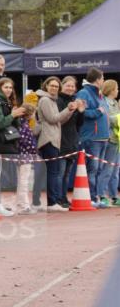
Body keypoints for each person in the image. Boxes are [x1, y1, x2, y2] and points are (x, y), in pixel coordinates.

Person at [36, 76, 79, 212]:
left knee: (53, 173)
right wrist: (68, 109)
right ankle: (52, 202)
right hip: (48, 139)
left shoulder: (52, 100)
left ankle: (53, 202)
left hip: (54, 139)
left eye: (56, 86)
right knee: (54, 173)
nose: (54, 88)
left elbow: (60, 121)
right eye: (52, 85)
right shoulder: (45, 100)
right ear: (46, 86)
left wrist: (70, 110)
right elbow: (53, 119)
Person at [0, 76, 25, 216]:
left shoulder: (6, 102)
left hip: (5, 144)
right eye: (5, 87)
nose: (8, 90)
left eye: (10, 87)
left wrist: (16, 115)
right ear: (0, 87)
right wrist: (13, 115)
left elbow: (11, 124)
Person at [77, 68, 110, 207]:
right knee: (92, 169)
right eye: (102, 78)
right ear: (97, 79)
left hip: (103, 138)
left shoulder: (100, 94)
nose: (103, 81)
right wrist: (97, 111)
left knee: (99, 170)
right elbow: (82, 112)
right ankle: (90, 198)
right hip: (92, 138)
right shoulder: (84, 93)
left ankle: (96, 198)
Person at [58, 76, 83, 207]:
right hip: (61, 140)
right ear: (62, 86)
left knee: (66, 174)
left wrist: (81, 112)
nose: (70, 88)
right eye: (68, 85)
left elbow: (79, 124)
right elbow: (61, 120)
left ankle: (63, 198)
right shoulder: (59, 100)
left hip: (72, 140)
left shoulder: (74, 100)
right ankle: (57, 199)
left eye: (73, 86)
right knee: (60, 173)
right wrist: (72, 109)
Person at [14, 101, 41, 214]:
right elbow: (27, 142)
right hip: (25, 156)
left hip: (21, 156)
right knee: (23, 181)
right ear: (30, 114)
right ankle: (23, 205)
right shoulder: (24, 125)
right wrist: (35, 152)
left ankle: (21, 203)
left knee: (21, 180)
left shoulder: (20, 123)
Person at [98, 80, 119, 206]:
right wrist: (119, 117)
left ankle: (114, 196)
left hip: (117, 140)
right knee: (107, 169)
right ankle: (101, 195)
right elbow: (107, 119)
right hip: (110, 139)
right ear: (111, 90)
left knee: (115, 170)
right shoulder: (103, 102)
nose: (118, 91)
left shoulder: (116, 102)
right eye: (117, 88)